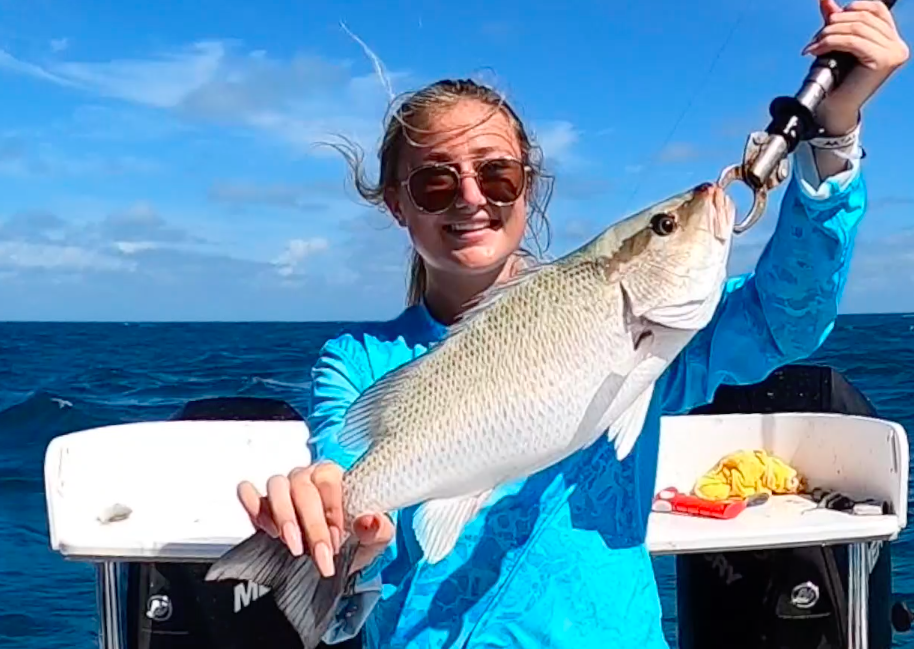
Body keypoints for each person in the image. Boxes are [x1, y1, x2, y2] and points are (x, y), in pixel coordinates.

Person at [238, 2, 909, 647]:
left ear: (528, 188)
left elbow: (786, 316)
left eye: (497, 175)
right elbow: (344, 466)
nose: (472, 198)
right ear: (397, 205)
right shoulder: (356, 360)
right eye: (437, 184)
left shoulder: (657, 339)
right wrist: (338, 525)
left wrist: (835, 131)